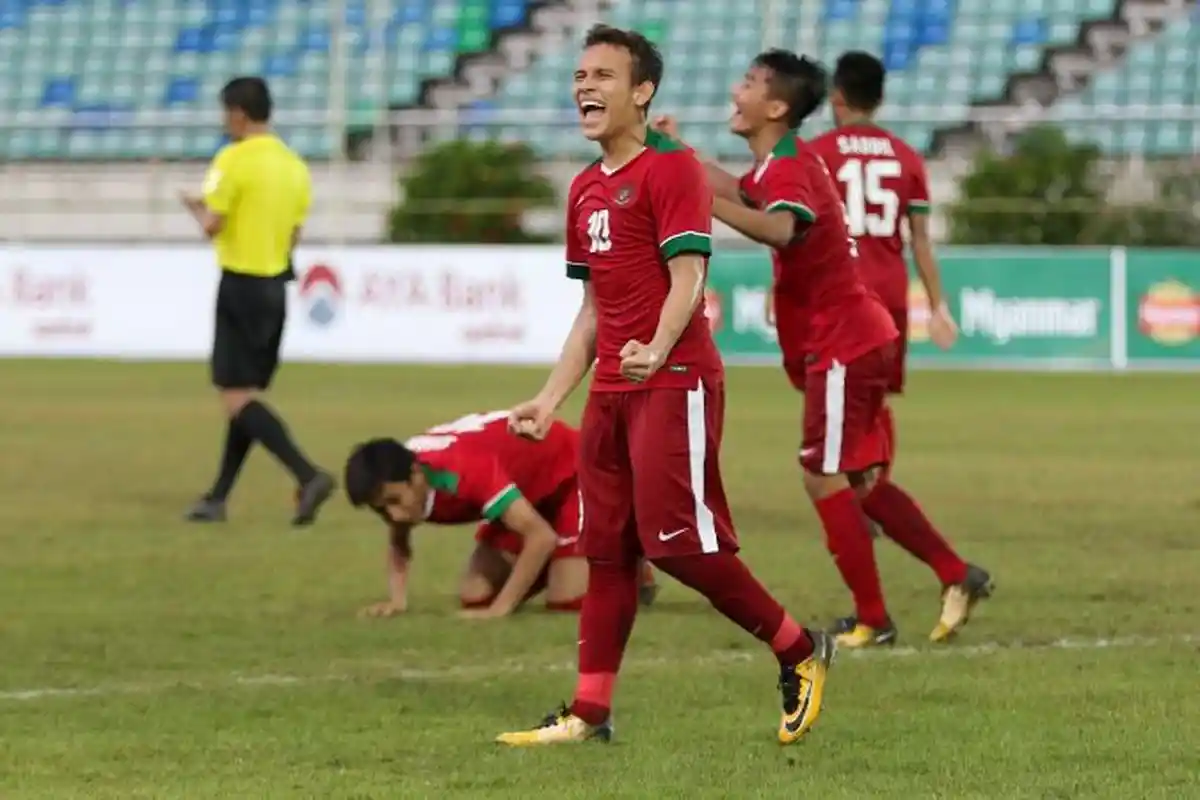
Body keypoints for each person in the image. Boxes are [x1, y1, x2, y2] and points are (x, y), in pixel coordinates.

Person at [495, 25, 836, 748]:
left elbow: (690, 276)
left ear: (642, 92)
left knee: (679, 546)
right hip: (612, 391)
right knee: (607, 551)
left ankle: (798, 647)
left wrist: (658, 342)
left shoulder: (672, 170)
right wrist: (550, 398)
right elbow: (592, 312)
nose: (585, 87)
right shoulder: (584, 188)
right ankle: (589, 714)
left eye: (604, 76)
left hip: (673, 380)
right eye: (580, 75)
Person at [656, 50, 992, 650]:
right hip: (853, 335)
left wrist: (699, 202)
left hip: (845, 340)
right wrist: (678, 157)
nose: (735, 91)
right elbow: (737, 188)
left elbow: (783, 227)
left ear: (777, 107)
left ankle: (873, 618)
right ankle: (955, 573)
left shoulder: (788, 168)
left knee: (820, 472)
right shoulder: (776, 163)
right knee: (857, 476)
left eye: (748, 83)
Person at [804, 51, 992, 645]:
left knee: (832, 468)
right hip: (890, 305)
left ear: (837, 97)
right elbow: (921, 241)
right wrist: (936, 306)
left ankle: (878, 613)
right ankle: (946, 576)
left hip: (846, 308)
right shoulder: (906, 157)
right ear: (879, 99)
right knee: (856, 460)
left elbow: (797, 230)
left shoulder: (819, 154)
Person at [180, 76, 335, 527]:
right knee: (245, 397)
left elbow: (213, 224)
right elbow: (294, 233)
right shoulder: (294, 166)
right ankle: (217, 497)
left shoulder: (233, 160)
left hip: (242, 283)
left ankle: (307, 475)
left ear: (237, 113)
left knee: (235, 398)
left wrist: (193, 207)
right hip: (275, 287)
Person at [342, 411, 659, 617]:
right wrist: (397, 600)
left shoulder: (462, 471)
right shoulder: (401, 476)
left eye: (394, 501)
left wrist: (501, 609)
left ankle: (629, 560)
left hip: (573, 473)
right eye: (381, 509)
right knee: (474, 596)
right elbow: (399, 538)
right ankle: (566, 560)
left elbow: (540, 537)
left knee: (566, 602)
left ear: (416, 474)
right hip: (524, 495)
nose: (393, 515)